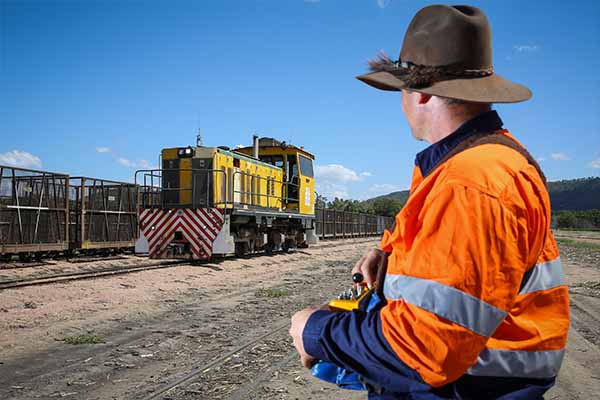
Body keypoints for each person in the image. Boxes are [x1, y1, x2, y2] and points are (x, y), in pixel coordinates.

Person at [289, 4, 569, 400]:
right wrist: (389, 257)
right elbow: (472, 274)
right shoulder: (485, 163)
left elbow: (423, 351)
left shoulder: (469, 181)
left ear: (418, 94)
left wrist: (313, 330)